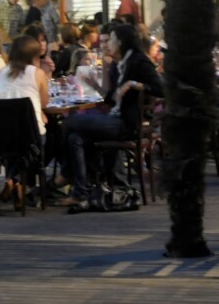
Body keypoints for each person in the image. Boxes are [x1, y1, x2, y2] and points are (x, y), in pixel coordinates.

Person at [57, 23, 163, 208]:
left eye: (111, 39)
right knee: (75, 137)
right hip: (115, 117)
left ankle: (66, 174)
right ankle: (81, 192)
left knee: (70, 122)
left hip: (126, 124)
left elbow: (162, 89)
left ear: (121, 42)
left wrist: (134, 84)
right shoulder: (118, 64)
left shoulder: (138, 61)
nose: (106, 44)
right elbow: (113, 99)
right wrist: (94, 85)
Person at [0, 34, 51, 208]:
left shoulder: (3, 72)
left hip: (4, 134)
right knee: (42, 142)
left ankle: (14, 182)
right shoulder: (37, 73)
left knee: (16, 148)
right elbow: (44, 102)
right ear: (34, 56)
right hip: (30, 133)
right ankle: (17, 181)